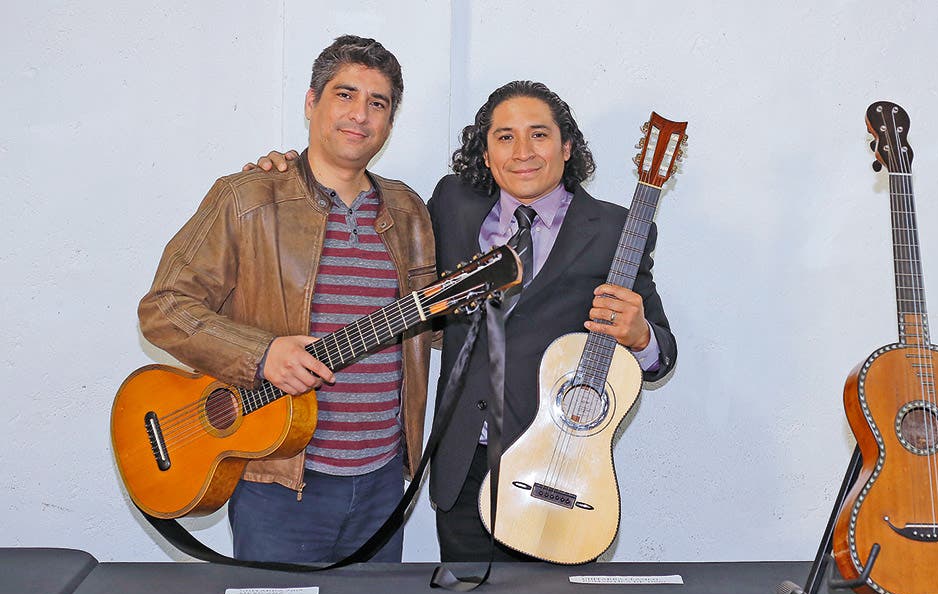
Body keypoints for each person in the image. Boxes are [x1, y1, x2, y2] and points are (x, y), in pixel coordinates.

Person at [249, 80, 677, 562]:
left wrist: (641, 337)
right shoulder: (452, 205)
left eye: (539, 135)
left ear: (566, 147)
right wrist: (288, 176)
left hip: (558, 471)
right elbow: (370, 220)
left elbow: (661, 357)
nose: (523, 152)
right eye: (505, 137)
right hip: (464, 468)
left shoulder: (616, 230)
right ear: (487, 154)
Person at [138, 35, 435, 563]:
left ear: (390, 122)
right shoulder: (247, 197)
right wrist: (262, 354)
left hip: (383, 482)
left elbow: (430, 329)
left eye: (378, 103)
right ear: (310, 102)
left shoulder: (409, 211)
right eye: (345, 95)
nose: (360, 115)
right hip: (275, 483)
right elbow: (164, 307)